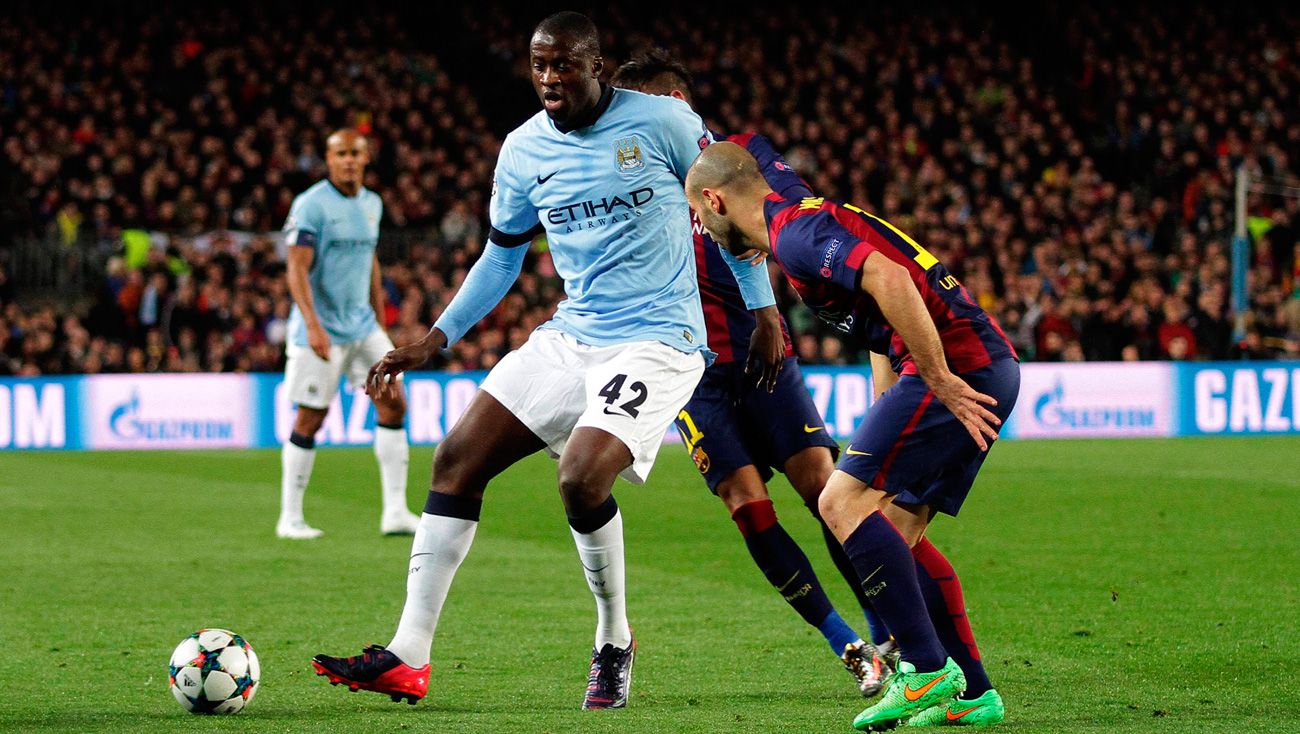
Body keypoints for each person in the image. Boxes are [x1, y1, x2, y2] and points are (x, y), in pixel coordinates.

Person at [310, 13, 779, 710]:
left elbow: (730, 203)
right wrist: (435, 338)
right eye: (539, 66)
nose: (551, 78)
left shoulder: (665, 123)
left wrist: (763, 308)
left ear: (596, 64)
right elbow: (501, 255)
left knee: (581, 477)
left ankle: (614, 639)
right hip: (573, 335)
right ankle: (408, 654)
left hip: (659, 341)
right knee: (455, 459)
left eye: (564, 64)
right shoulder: (524, 149)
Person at [685, 141, 1020, 730]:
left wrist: (937, 377)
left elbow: (889, 277)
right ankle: (974, 692)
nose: (702, 231)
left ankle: (924, 673)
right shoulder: (791, 221)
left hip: (959, 367)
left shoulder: (794, 234)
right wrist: (890, 402)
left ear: (714, 200)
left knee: (838, 502)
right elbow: (878, 314)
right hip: (981, 363)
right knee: (894, 533)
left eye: (697, 214)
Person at [610, 50, 895, 696]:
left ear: (678, 104)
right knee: (747, 504)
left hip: (764, 354)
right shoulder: (631, 181)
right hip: (689, 372)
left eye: (645, 107)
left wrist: (777, 304)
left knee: (825, 489)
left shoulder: (740, 159)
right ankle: (845, 644)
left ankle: (887, 632)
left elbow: (784, 221)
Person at [278, 129, 420, 539]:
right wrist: (312, 324)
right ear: (328, 158)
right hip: (321, 332)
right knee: (311, 417)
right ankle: (291, 518)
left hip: (362, 327)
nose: (348, 160)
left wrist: (379, 320)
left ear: (366, 157)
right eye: (341, 153)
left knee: (393, 403)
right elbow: (296, 267)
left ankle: (395, 512)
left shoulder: (372, 203)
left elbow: (370, 262)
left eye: (355, 153)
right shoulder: (311, 206)